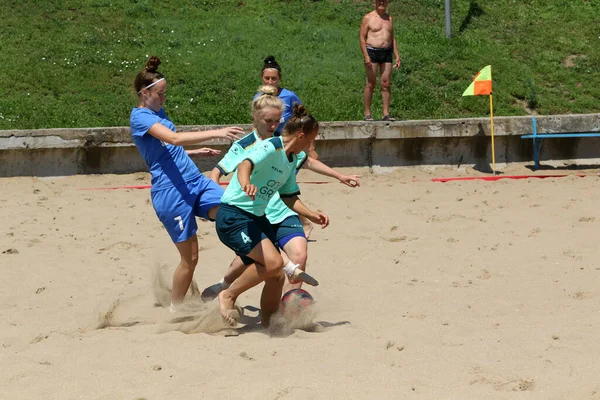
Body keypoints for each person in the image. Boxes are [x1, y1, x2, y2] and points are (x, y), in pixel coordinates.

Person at [202, 86, 360, 303]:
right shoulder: (248, 145)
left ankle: (288, 306)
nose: (274, 126)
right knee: (258, 262)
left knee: (295, 257)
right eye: (269, 121)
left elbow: (306, 163)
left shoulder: (286, 146)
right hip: (247, 213)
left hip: (278, 211)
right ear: (256, 118)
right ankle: (226, 287)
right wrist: (222, 194)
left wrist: (337, 176)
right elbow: (222, 171)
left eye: (278, 121)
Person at [129, 56, 244, 313]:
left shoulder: (157, 111)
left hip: (194, 181)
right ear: (145, 93)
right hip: (171, 193)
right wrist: (217, 132)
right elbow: (174, 137)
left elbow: (164, 149)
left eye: (165, 93)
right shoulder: (139, 117)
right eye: (160, 94)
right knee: (190, 259)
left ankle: (229, 279)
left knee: (235, 208)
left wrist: (193, 152)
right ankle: (176, 310)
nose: (164, 98)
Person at [215, 104, 328, 327]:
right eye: (311, 140)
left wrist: (311, 214)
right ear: (301, 135)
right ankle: (227, 295)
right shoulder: (271, 146)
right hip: (234, 216)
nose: (311, 145)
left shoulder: (290, 159)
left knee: (275, 275)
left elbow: (288, 196)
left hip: (256, 218)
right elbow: (245, 164)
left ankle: (269, 322)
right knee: (275, 263)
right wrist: (245, 182)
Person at [360, 0, 401, 121]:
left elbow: (392, 38)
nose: (381, 2)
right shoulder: (368, 17)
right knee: (371, 83)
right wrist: (366, 55)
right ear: (374, 2)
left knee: (386, 83)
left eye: (383, 0)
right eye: (379, 0)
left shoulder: (389, 18)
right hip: (372, 51)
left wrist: (397, 55)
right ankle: (367, 113)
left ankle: (386, 113)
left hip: (387, 52)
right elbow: (362, 38)